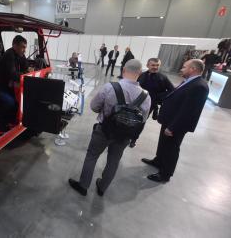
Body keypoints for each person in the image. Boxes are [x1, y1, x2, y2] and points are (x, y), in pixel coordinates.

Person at [69, 60, 151, 196]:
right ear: (140, 73)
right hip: (125, 135)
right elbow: (142, 119)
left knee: (92, 156)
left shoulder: (109, 87)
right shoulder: (146, 96)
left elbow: (94, 107)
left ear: (123, 70)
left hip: (104, 130)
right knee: (113, 160)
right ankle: (102, 187)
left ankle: (83, 186)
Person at [142, 59, 209, 183]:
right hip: (170, 120)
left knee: (171, 148)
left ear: (192, 69)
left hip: (176, 124)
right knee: (163, 143)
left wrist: (172, 127)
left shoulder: (199, 86)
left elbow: (188, 111)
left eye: (184, 67)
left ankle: (165, 174)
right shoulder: (189, 82)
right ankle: (158, 161)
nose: (181, 69)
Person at [0, 35, 29, 131]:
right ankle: (1, 124)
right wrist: (25, 73)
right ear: (15, 46)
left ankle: (11, 120)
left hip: (10, 86)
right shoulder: (9, 55)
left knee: (20, 101)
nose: (24, 50)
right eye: (22, 47)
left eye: (25, 47)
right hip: (0, 87)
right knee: (11, 102)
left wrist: (23, 56)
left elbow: (26, 66)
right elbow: (13, 75)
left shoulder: (18, 55)